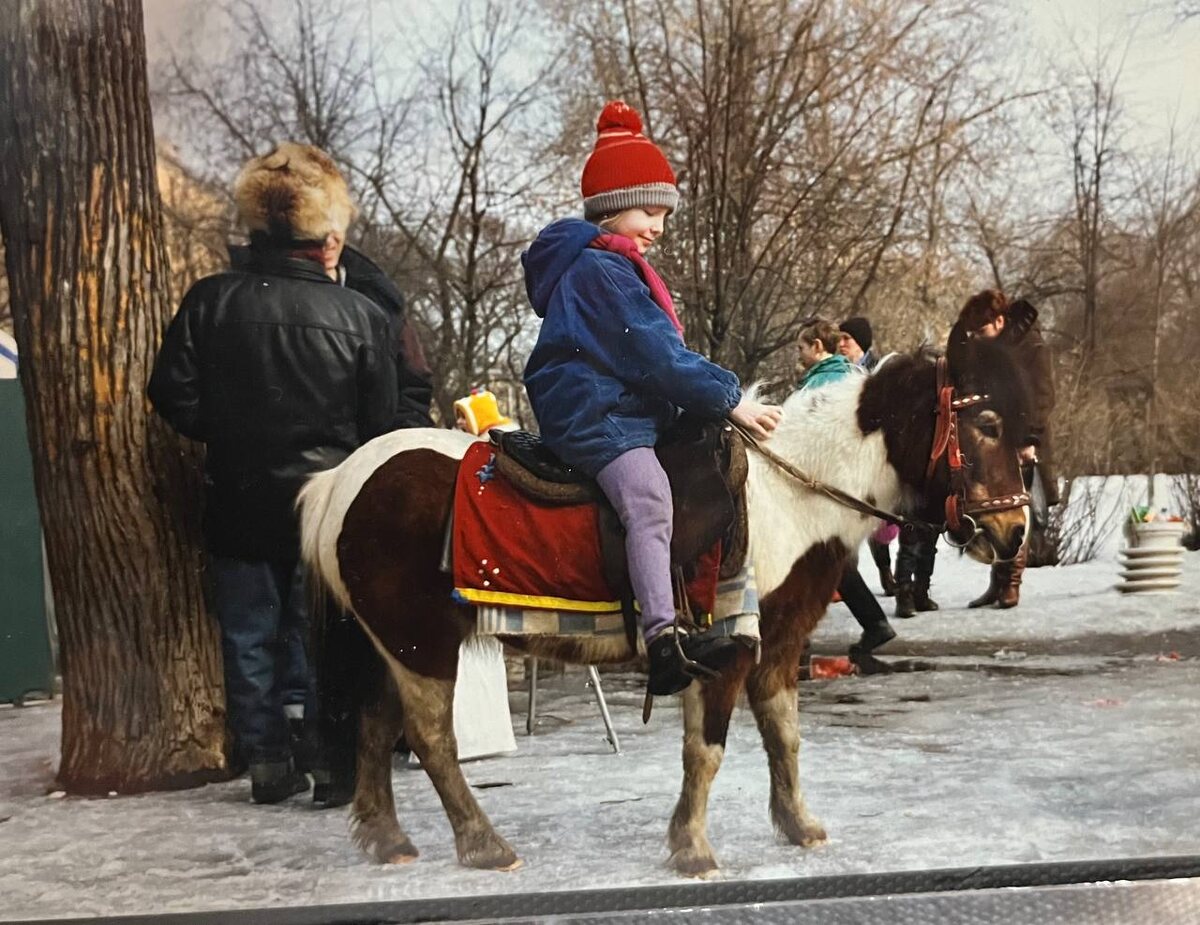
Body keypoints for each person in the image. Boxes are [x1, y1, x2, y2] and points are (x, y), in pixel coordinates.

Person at [148, 143, 399, 804]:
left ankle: (264, 759)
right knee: (322, 637)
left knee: (248, 635)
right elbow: (380, 427)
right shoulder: (362, 318)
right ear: (328, 237)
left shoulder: (210, 300)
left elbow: (170, 391)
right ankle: (324, 760)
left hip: (238, 498)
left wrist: (227, 431)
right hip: (327, 509)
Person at [521, 100, 783, 696]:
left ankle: (701, 611)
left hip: (621, 405)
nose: (659, 225)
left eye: (665, 212)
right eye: (648, 209)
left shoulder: (617, 264)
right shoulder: (600, 272)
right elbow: (658, 358)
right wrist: (729, 400)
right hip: (598, 414)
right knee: (648, 496)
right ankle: (662, 638)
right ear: (611, 208)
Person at [796, 318, 897, 656]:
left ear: (817, 347)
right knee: (834, 561)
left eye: (801, 348)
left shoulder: (822, 382)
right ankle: (874, 624)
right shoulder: (851, 376)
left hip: (827, 483)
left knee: (814, 560)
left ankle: (797, 635)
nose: (799, 355)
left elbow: (806, 431)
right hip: (848, 483)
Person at [956, 289, 1058, 609]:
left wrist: (1030, 440)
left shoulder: (1031, 346)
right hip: (993, 441)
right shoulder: (988, 349)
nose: (977, 338)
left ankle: (1011, 583)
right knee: (999, 510)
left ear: (1000, 321)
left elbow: (1043, 397)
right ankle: (996, 583)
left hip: (1025, 438)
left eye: (981, 331)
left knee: (1019, 510)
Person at [837, 317, 898, 595]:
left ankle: (886, 571)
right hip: (846, 455)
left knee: (879, 522)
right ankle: (849, 582)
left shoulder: (879, 372)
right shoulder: (837, 372)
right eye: (839, 338)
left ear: (860, 343)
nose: (841, 344)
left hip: (874, 454)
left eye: (846, 339)